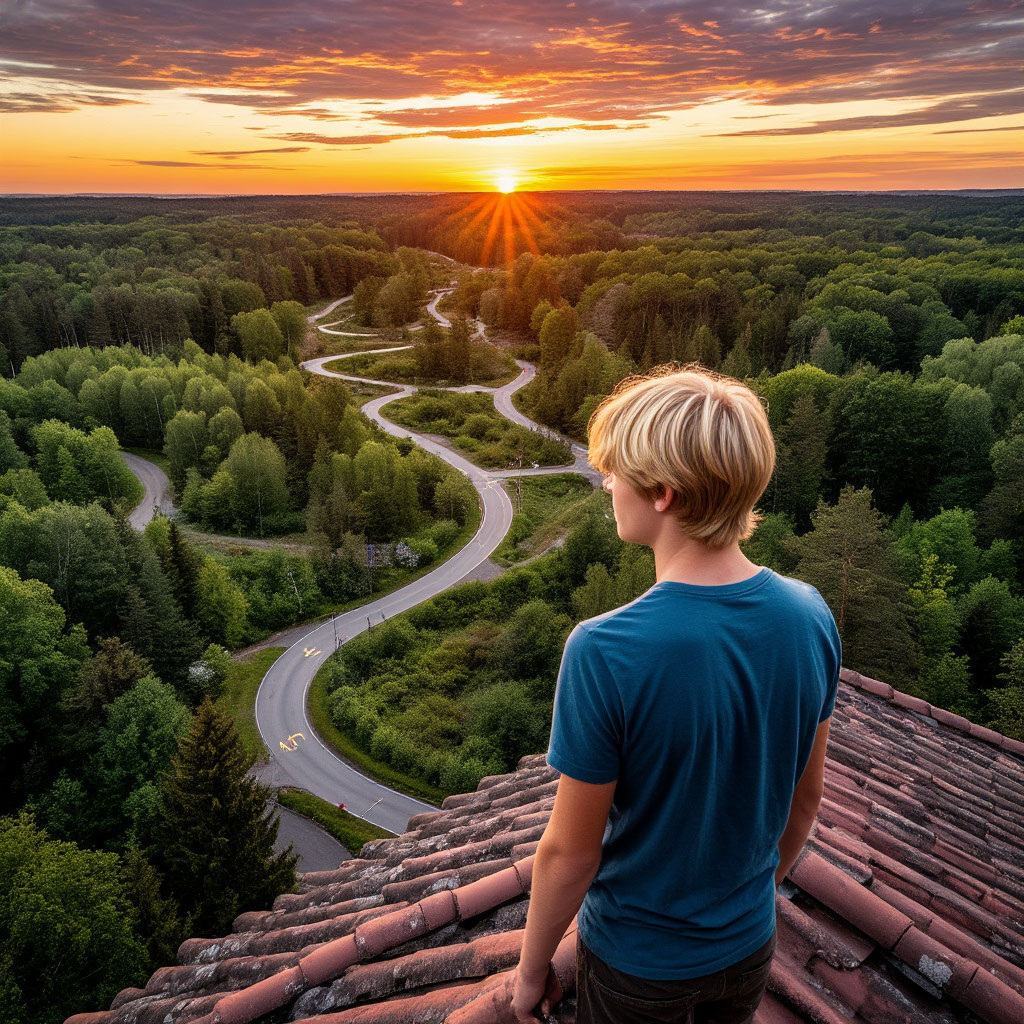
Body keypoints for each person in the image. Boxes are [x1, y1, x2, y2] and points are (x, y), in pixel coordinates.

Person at [509, 363, 840, 1024]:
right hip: (749, 948)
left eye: (614, 470)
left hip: (637, 968)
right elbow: (805, 802)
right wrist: (744, 903)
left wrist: (530, 970)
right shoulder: (809, 616)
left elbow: (571, 853)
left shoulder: (604, 649)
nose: (605, 483)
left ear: (661, 491)